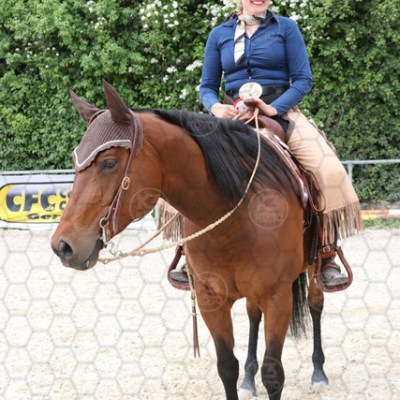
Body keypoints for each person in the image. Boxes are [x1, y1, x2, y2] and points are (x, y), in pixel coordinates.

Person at [171, 0, 362, 288]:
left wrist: (274, 108)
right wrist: (215, 107)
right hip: (232, 115)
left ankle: (326, 253)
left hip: (280, 113)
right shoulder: (219, 34)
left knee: (330, 171)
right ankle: (189, 250)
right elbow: (207, 86)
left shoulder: (287, 28)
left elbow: (303, 80)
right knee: (186, 168)